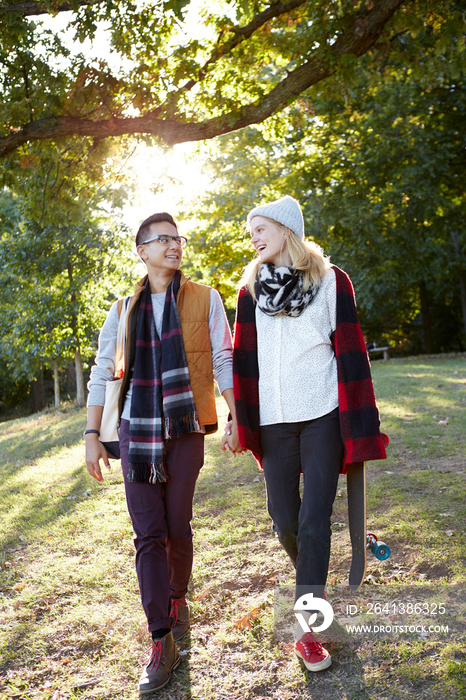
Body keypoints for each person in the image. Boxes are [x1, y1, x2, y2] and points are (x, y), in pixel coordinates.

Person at [222, 195, 388, 672]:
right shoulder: (249, 290)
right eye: (250, 231)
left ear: (286, 229)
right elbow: (243, 359)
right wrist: (237, 418)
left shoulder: (332, 282)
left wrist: (359, 422)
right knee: (286, 522)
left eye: (260, 228)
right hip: (273, 421)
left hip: (322, 415)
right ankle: (312, 580)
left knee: (315, 521)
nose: (252, 238)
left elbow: (352, 351)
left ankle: (308, 627)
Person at [85, 212, 237, 695]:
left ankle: (176, 596)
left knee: (176, 526)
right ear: (142, 250)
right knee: (147, 534)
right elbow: (102, 370)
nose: (174, 245)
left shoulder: (206, 299)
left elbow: (221, 357)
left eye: (178, 238)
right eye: (163, 239)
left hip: (185, 429)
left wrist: (236, 416)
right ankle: (161, 638)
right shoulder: (122, 309)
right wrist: (92, 434)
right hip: (137, 430)